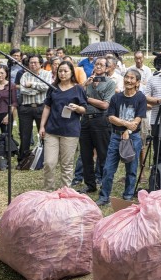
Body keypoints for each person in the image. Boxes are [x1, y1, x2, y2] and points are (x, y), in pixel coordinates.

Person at [97, 68, 148, 205]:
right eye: (127, 77)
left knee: (131, 169)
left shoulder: (140, 97)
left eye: (132, 78)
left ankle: (128, 196)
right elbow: (111, 118)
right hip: (116, 137)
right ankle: (104, 197)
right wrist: (126, 124)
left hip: (133, 138)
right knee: (108, 168)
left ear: (137, 82)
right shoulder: (116, 97)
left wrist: (129, 129)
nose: (128, 80)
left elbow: (138, 119)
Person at [39, 60, 88, 190]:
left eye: (65, 71)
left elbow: (84, 109)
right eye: (60, 71)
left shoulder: (78, 89)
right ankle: (48, 189)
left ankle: (65, 191)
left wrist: (77, 108)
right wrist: (42, 126)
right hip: (52, 130)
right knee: (49, 163)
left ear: (72, 72)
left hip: (70, 131)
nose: (62, 73)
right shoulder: (53, 88)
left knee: (66, 164)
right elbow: (47, 107)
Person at [76, 57, 116, 193]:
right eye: (96, 64)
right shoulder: (89, 81)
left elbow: (105, 104)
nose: (98, 66)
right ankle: (90, 184)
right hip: (86, 120)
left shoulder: (110, 83)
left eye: (101, 65)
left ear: (106, 69)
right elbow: (76, 94)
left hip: (101, 121)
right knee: (86, 154)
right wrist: (85, 84)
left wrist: (86, 99)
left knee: (103, 154)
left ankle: (105, 185)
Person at [17, 55, 51, 163]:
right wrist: (37, 90)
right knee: (24, 134)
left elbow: (47, 87)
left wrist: (32, 84)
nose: (33, 64)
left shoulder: (47, 74)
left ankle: (45, 158)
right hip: (26, 108)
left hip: (41, 107)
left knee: (44, 133)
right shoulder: (25, 75)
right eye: (31, 62)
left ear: (41, 63)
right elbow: (22, 90)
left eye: (35, 62)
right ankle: (23, 159)